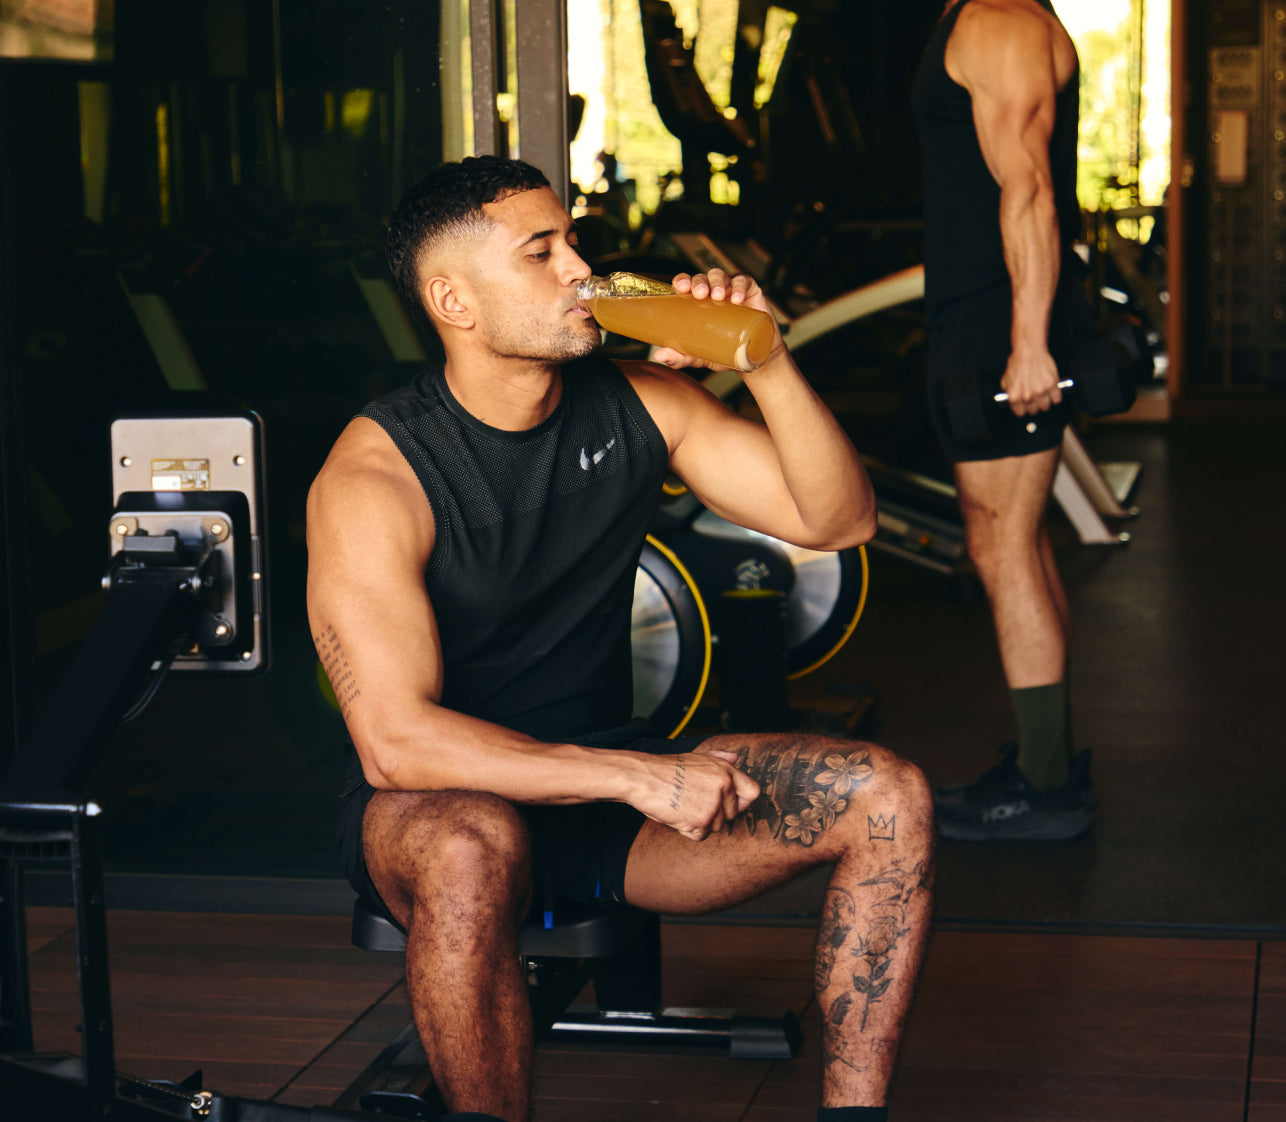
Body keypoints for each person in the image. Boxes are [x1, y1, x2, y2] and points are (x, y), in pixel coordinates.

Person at [306, 155, 934, 1122]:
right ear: (453, 301)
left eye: (573, 241)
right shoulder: (375, 477)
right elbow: (396, 743)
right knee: (474, 844)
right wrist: (635, 776)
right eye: (541, 251)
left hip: (609, 803)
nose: (579, 270)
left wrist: (763, 357)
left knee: (888, 796)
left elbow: (838, 520)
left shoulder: (641, 400)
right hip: (435, 811)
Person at [912, 0, 1098, 841]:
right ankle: (1046, 760)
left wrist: (1027, 343)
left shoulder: (999, 20)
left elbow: (1029, 191)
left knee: (1003, 542)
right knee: (1016, 536)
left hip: (1000, 319)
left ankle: (1048, 787)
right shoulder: (980, 14)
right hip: (985, 310)